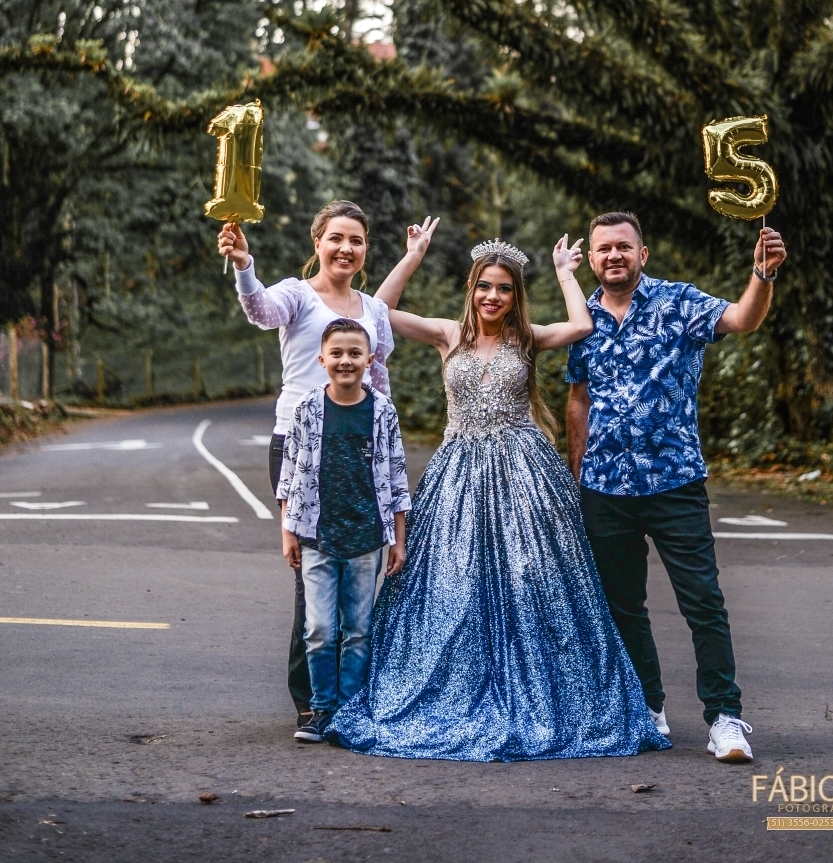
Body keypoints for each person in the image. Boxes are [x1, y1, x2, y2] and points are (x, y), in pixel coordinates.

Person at [329, 225, 670, 761]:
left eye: (504, 288)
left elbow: (581, 324)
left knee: (533, 583)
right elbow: (380, 308)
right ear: (472, 289)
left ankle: (553, 693)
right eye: (485, 286)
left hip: (525, 475)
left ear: (515, 295)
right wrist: (413, 254)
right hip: (458, 473)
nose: (493, 296)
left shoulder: (526, 337)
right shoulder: (447, 335)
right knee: (453, 587)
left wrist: (564, 274)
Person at [566, 211, 788, 763]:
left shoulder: (677, 302)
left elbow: (741, 320)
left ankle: (725, 718)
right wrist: (577, 474)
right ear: (591, 260)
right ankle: (646, 706)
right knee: (623, 606)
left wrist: (762, 275)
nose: (613, 256)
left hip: (675, 483)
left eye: (623, 247)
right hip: (605, 488)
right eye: (603, 250)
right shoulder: (582, 319)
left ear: (643, 253)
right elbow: (579, 399)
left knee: (703, 602)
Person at [218, 199, 399, 738]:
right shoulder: (297, 295)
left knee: (359, 577)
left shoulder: (374, 310)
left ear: (366, 250)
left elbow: (379, 378)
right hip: (300, 445)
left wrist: (382, 433)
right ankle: (312, 702)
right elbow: (259, 310)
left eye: (357, 240)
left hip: (358, 448)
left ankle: (354, 698)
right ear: (317, 242)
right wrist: (244, 264)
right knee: (313, 578)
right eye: (336, 238)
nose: (346, 248)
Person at [276, 318, 411, 742]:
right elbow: (289, 473)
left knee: (357, 629)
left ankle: (351, 713)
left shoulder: (382, 411)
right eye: (337, 353)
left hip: (367, 537)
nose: (346, 361)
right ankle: (320, 709)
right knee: (318, 629)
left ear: (370, 360)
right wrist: (288, 530)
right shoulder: (308, 409)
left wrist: (398, 539)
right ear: (322, 359)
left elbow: (396, 477)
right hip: (316, 534)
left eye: (355, 354)